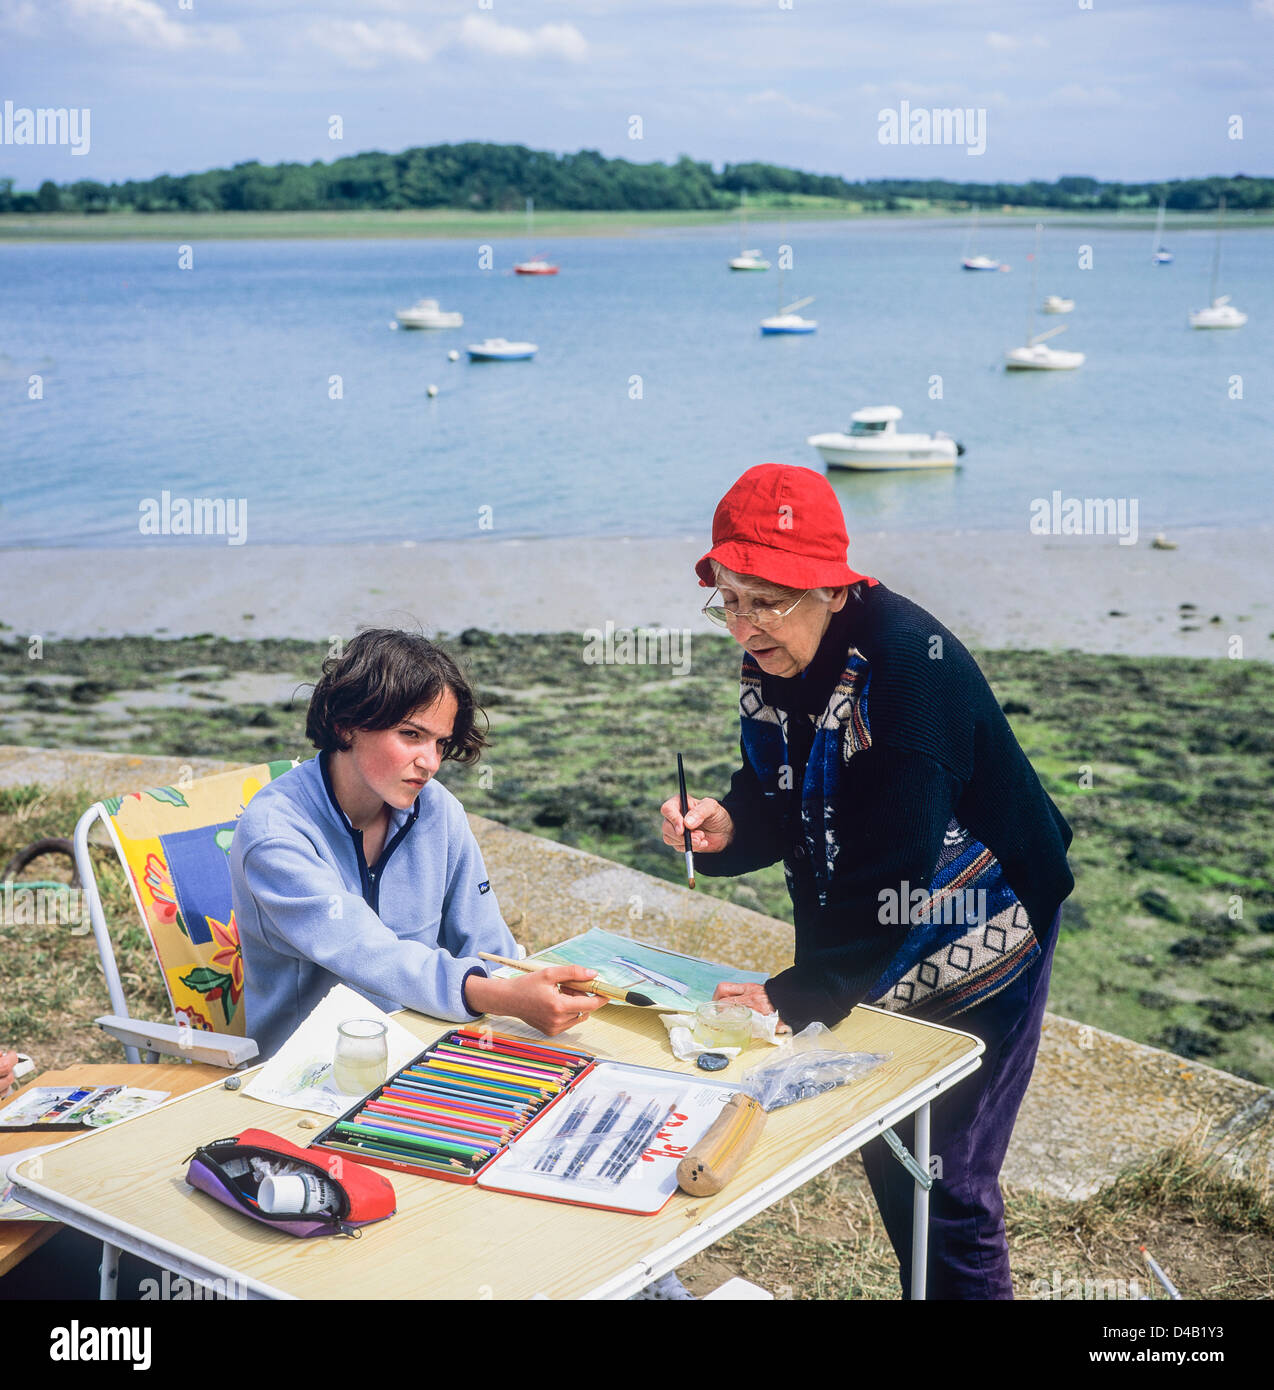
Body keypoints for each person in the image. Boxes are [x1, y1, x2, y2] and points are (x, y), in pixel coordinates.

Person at [660, 464, 1074, 1300]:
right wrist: (728, 827)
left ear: (831, 586)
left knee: (950, 1182)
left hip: (990, 914)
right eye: (730, 598)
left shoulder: (907, 672)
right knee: (894, 1155)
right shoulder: (777, 653)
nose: (744, 625)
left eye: (766, 599)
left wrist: (802, 992)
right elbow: (776, 789)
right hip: (883, 929)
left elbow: (895, 857)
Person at [231, 628, 605, 1058]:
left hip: (427, 1047)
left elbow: (487, 944)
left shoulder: (438, 810)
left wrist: (531, 986)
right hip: (303, 1071)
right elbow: (370, 953)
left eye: (440, 742)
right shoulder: (275, 832)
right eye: (411, 735)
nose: (430, 763)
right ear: (347, 724)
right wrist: (502, 999)